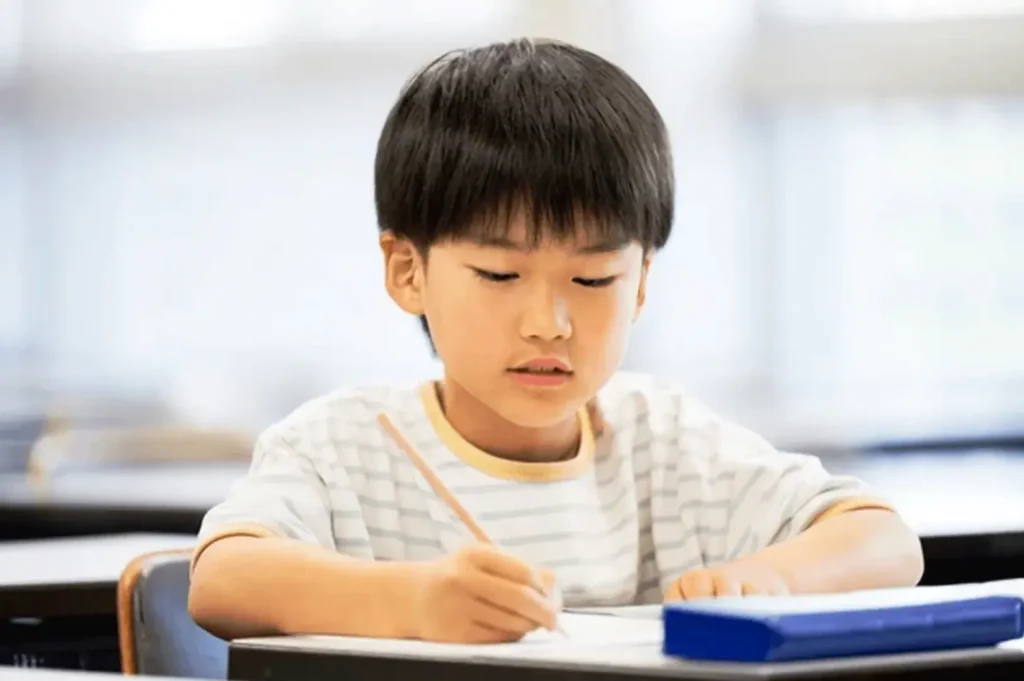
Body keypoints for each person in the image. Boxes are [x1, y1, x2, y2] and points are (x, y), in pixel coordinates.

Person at [188, 38, 923, 644]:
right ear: (408, 270)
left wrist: (772, 578)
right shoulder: (340, 449)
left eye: (595, 280)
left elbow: (886, 540)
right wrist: (409, 601)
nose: (550, 322)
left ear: (640, 283)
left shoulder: (664, 442)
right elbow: (222, 580)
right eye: (501, 273)